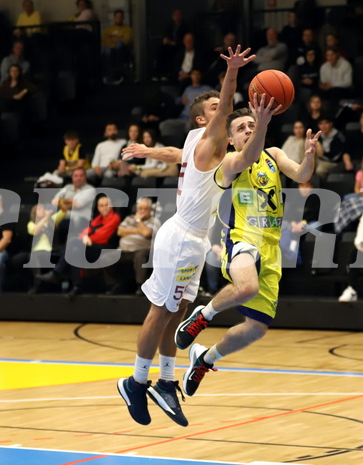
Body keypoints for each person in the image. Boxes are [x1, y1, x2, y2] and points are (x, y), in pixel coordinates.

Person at [117, 45, 255, 428]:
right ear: (202, 119)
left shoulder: (196, 143)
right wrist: (231, 73)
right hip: (181, 238)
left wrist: (147, 150)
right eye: (213, 110)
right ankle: (136, 381)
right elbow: (227, 103)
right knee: (161, 312)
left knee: (177, 313)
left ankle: (164, 381)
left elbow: (174, 153)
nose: (221, 112)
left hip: (191, 241)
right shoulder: (209, 138)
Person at [174, 98, 321, 399]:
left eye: (251, 126)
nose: (248, 130)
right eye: (241, 128)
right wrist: (263, 123)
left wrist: (309, 156)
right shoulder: (228, 162)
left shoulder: (274, 154)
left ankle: (205, 359)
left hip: (271, 247)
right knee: (247, 287)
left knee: (256, 329)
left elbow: (303, 175)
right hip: (241, 238)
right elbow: (247, 156)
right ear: (230, 139)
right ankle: (204, 314)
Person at [38, 194, 120, 297]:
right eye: (101, 205)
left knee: (73, 241)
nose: (104, 208)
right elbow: (85, 231)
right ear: (98, 208)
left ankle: (56, 273)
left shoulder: (115, 218)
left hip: (104, 249)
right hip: (91, 247)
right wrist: (84, 238)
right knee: (75, 250)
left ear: (111, 205)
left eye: (106, 205)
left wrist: (87, 238)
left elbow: (103, 236)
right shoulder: (97, 219)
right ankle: (77, 286)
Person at [104, 197, 160, 295]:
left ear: (150, 210)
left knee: (140, 256)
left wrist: (138, 221)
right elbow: (120, 231)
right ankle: (115, 285)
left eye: (145, 209)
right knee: (105, 258)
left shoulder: (154, 221)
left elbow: (147, 233)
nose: (142, 211)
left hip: (143, 249)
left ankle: (141, 286)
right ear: (136, 209)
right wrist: (138, 231)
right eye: (140, 208)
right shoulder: (129, 219)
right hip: (124, 250)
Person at [101, 9, 133, 84]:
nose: (119, 19)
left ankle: (118, 70)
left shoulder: (127, 29)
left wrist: (114, 38)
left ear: (123, 18)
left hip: (122, 50)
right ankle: (110, 73)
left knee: (119, 43)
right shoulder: (107, 30)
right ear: (114, 18)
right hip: (110, 49)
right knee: (107, 51)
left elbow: (127, 40)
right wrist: (119, 38)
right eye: (117, 17)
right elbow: (105, 42)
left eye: (121, 17)